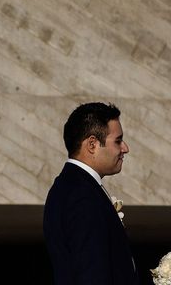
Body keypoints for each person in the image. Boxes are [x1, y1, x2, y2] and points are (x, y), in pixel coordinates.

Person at [43, 102, 139, 284]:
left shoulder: (72, 187)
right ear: (92, 144)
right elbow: (92, 273)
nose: (125, 148)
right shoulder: (81, 196)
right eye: (118, 141)